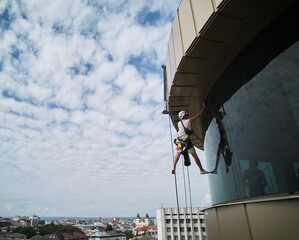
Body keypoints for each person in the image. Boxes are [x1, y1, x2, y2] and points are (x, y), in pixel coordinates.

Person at [172, 102, 209, 175]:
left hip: (179, 142)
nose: (188, 116)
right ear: (184, 116)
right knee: (195, 156)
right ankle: (201, 170)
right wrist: (203, 108)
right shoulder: (188, 121)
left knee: (178, 154)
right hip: (187, 142)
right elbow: (197, 115)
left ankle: (173, 168)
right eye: (186, 115)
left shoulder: (179, 123)